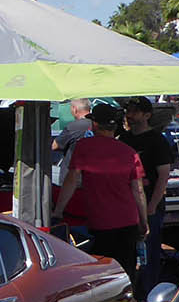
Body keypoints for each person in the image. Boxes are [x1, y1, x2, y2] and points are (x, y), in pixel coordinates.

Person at [55, 102, 149, 281]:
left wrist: (58, 210)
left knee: (102, 276)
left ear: (95, 124)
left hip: (99, 222)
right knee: (126, 273)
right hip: (128, 221)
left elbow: (71, 180)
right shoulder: (129, 152)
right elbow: (138, 190)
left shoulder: (84, 147)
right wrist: (143, 222)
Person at [120, 98, 176, 288]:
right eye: (129, 110)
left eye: (135, 111)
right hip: (126, 207)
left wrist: (151, 206)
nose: (130, 115)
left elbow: (163, 176)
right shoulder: (124, 139)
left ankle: (148, 293)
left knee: (149, 253)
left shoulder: (157, 140)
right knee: (128, 253)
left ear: (147, 115)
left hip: (150, 206)